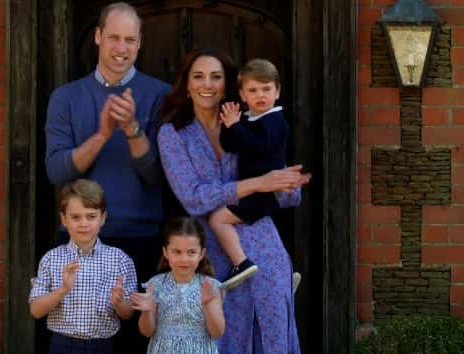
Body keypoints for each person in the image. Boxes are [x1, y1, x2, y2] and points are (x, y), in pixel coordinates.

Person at [157, 49, 310, 354]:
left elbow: (284, 192)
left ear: (227, 85)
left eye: (216, 77)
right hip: (211, 252)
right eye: (198, 76)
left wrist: (288, 184)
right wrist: (257, 184)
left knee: (272, 333)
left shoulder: (250, 122)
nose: (207, 84)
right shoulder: (173, 134)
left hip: (264, 245)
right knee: (221, 338)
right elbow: (193, 198)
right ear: (186, 84)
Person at [44, 2, 170, 352]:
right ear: (98, 37)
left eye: (130, 39)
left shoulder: (160, 95)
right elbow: (56, 171)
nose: (121, 48)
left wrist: (131, 129)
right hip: (79, 243)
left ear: (140, 43)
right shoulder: (66, 97)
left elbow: (159, 175)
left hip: (142, 241)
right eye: (113, 37)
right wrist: (101, 134)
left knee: (135, 346)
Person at [29, 179, 137, 354]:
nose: (83, 223)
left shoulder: (120, 259)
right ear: (64, 219)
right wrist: (63, 289)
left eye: (91, 216)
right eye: (75, 217)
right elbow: (35, 311)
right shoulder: (51, 258)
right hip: (62, 345)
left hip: (103, 345)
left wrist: (119, 302)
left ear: (103, 218)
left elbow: (128, 314)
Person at [208, 58, 289, 290]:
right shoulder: (251, 119)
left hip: (261, 193)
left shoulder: (275, 121)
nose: (260, 95)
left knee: (218, 219)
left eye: (266, 89)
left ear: (277, 91)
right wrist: (229, 125)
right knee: (259, 236)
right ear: (243, 95)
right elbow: (231, 145)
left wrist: (236, 126)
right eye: (253, 90)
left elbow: (257, 147)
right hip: (252, 190)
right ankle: (279, 275)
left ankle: (241, 264)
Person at [130, 217, 224, 354]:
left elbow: (217, 333)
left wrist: (208, 305)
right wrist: (146, 311)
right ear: (166, 252)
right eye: (177, 252)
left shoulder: (210, 286)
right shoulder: (155, 284)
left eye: (191, 252)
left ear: (201, 254)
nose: (184, 259)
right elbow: (147, 332)